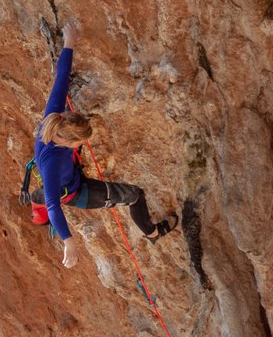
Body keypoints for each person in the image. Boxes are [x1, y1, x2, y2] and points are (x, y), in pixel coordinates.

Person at [32, 20, 178, 269]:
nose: (82, 143)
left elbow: (61, 80)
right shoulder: (52, 164)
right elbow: (53, 204)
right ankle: (152, 233)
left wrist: (69, 42)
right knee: (134, 195)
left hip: (72, 173)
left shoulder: (52, 118)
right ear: (68, 141)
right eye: (80, 142)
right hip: (80, 193)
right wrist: (69, 242)